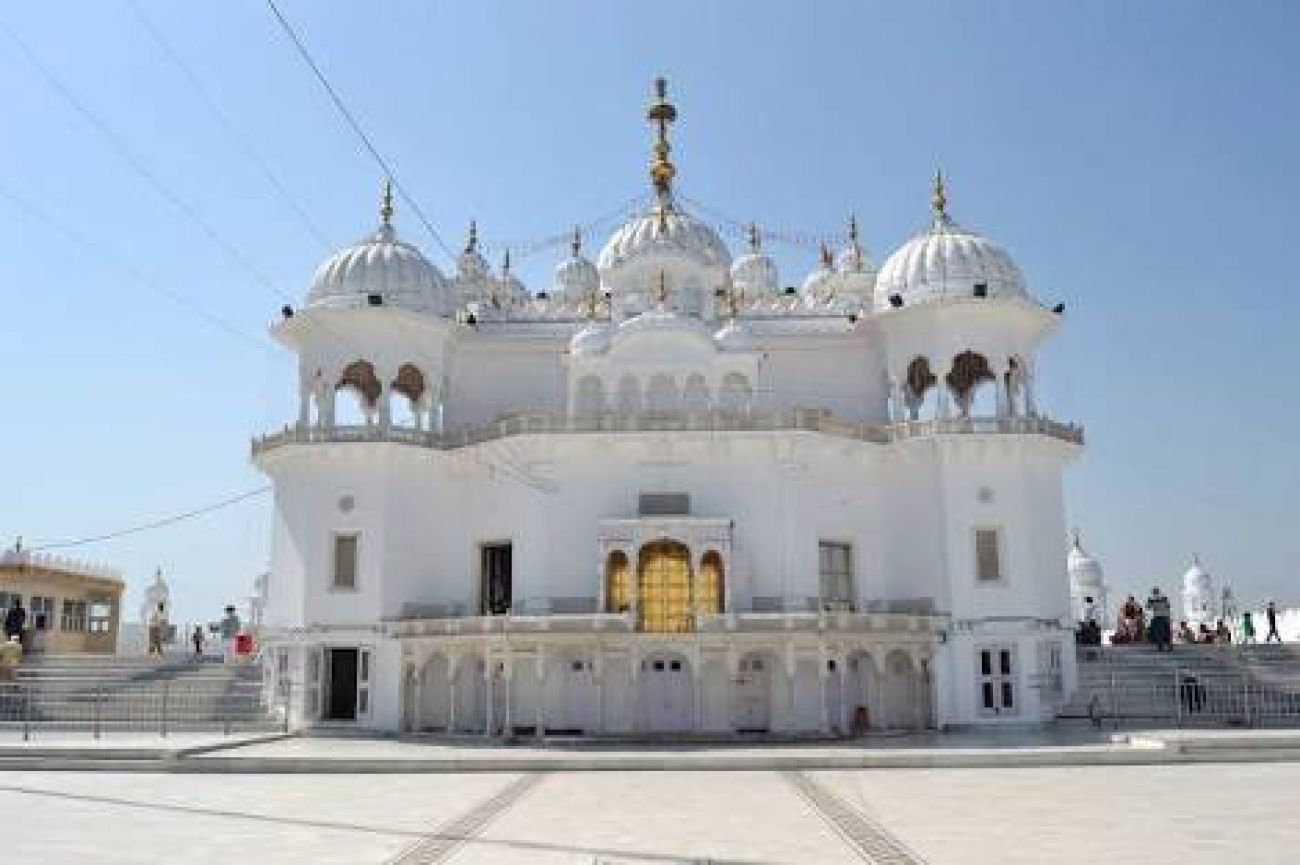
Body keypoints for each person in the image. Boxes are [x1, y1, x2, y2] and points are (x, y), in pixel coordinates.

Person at [1147, 587, 1172, 652]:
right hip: (1165, 616)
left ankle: (1161, 646)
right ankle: (1168, 646)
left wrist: (1151, 602)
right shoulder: (1164, 598)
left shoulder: (1152, 599)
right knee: (1166, 632)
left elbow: (1148, 607)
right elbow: (1168, 606)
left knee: (1158, 632)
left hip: (1158, 617)